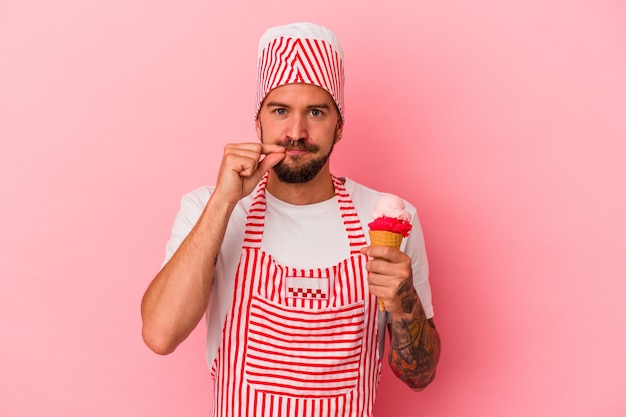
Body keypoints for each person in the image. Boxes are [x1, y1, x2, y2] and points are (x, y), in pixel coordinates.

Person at [141, 22, 440, 416]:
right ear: (258, 120)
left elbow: (419, 377)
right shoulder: (208, 208)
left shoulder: (388, 219)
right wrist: (224, 201)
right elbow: (161, 335)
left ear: (340, 126)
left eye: (315, 112)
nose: (295, 132)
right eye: (280, 110)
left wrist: (404, 305)